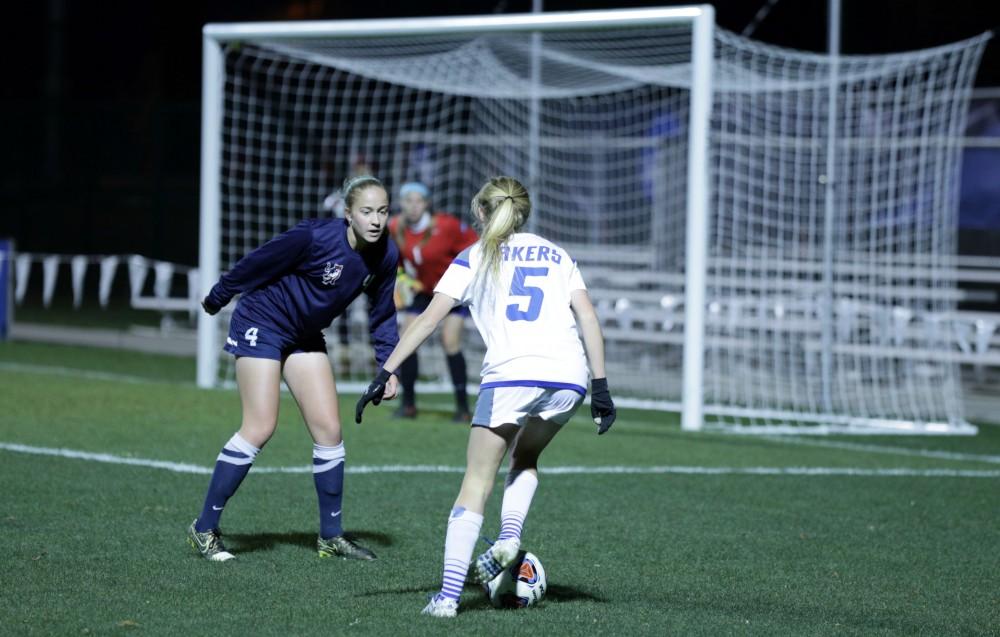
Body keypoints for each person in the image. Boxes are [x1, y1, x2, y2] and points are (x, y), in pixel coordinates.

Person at [355, 176, 617, 617]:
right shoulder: (558, 254)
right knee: (526, 459)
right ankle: (510, 536)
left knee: (476, 482)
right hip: (569, 376)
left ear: (480, 212)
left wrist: (386, 370)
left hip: (512, 374)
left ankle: (447, 598)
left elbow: (425, 321)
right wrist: (601, 386)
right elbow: (587, 316)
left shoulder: (475, 255)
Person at [187, 175, 400, 562]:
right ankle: (204, 529)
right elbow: (258, 261)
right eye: (366, 211)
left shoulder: (386, 254)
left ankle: (330, 537)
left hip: (304, 335)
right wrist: (219, 296)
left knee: (329, 431)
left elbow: (383, 314)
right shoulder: (314, 236)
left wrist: (389, 367)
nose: (375, 220)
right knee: (260, 426)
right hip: (263, 320)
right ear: (348, 213)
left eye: (382, 211)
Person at [389, 181, 478, 421]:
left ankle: (463, 408)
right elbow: (394, 261)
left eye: (418, 200)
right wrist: (402, 280)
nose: (413, 206)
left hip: (451, 293)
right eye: (408, 200)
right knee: (407, 339)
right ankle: (408, 405)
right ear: (401, 203)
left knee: (450, 341)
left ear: (427, 203)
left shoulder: (447, 226)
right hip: (423, 292)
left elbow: (476, 249)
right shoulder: (395, 227)